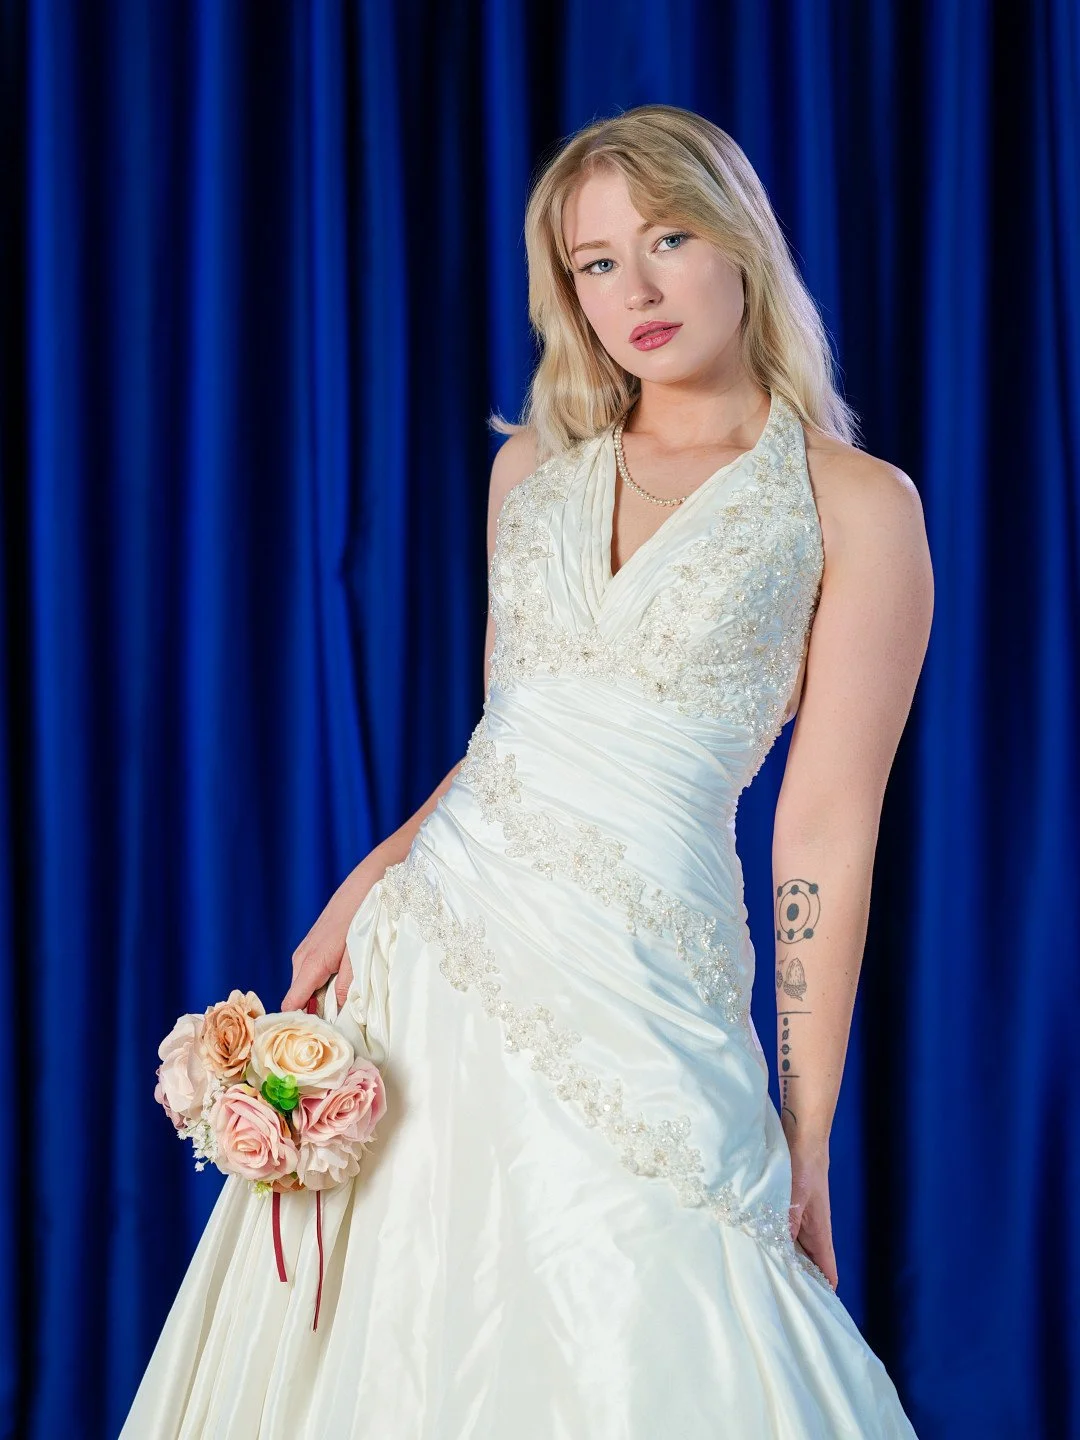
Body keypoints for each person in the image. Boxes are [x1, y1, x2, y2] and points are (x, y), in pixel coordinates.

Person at [121, 103, 932, 1438]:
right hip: (433, 944)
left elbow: (827, 834)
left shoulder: (854, 502)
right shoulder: (534, 469)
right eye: (596, 261)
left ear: (739, 241)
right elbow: (512, 733)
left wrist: (809, 1129)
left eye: (668, 237)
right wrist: (361, 886)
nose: (639, 288)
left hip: (648, 980)